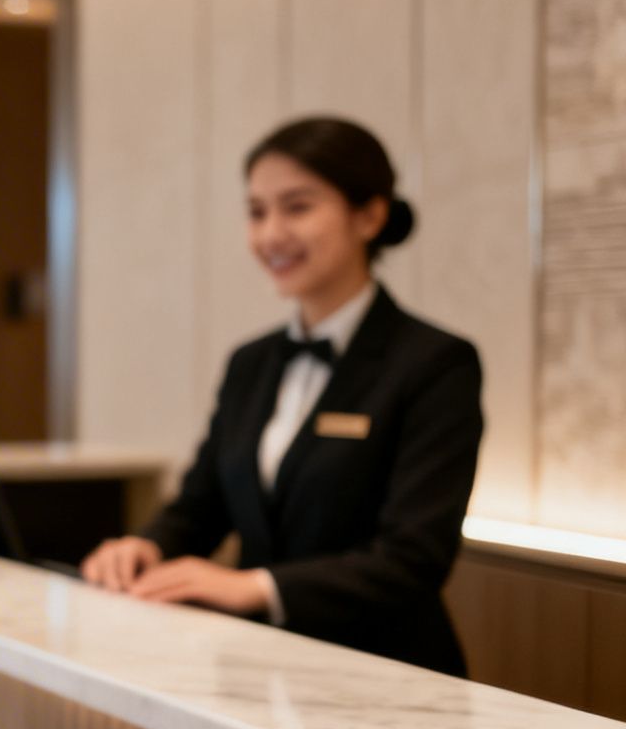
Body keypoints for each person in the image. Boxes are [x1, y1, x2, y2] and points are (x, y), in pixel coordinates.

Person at [80, 116, 482, 676]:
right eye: (257, 211)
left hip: (387, 672)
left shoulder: (435, 363)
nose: (271, 235)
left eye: (297, 207)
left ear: (369, 215)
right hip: (258, 668)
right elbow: (202, 506)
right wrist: (145, 547)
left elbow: (413, 560)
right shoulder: (251, 362)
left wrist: (255, 585)